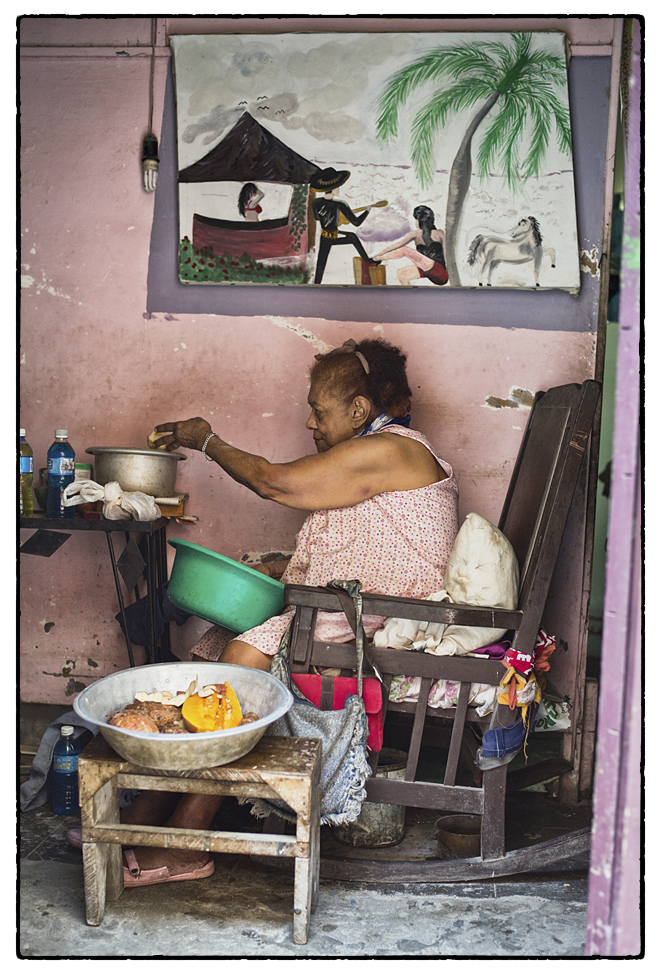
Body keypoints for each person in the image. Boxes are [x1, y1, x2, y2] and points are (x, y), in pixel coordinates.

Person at [69, 338, 459, 886]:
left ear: (359, 410)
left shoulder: (391, 450)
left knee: (237, 670)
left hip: (372, 618)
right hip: (346, 608)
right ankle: (146, 818)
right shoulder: (384, 450)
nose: (309, 422)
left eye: (319, 411)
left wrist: (208, 441)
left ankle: (188, 844)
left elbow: (275, 482)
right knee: (216, 652)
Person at [311, 167, 381, 284]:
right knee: (352, 237)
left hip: (325, 237)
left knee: (321, 263)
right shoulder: (340, 204)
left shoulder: (316, 202)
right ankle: (368, 260)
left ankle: (317, 283)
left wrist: (336, 219)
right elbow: (357, 222)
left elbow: (317, 218)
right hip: (334, 236)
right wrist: (367, 210)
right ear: (333, 189)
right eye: (338, 187)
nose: (339, 189)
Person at [373, 205, 448, 286]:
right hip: (426, 269)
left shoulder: (440, 233)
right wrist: (379, 253)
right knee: (401, 273)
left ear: (420, 220)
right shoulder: (415, 234)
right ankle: (407, 296)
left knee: (405, 250)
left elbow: (446, 254)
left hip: (440, 272)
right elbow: (396, 245)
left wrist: (379, 257)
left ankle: (378, 259)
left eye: (416, 219)